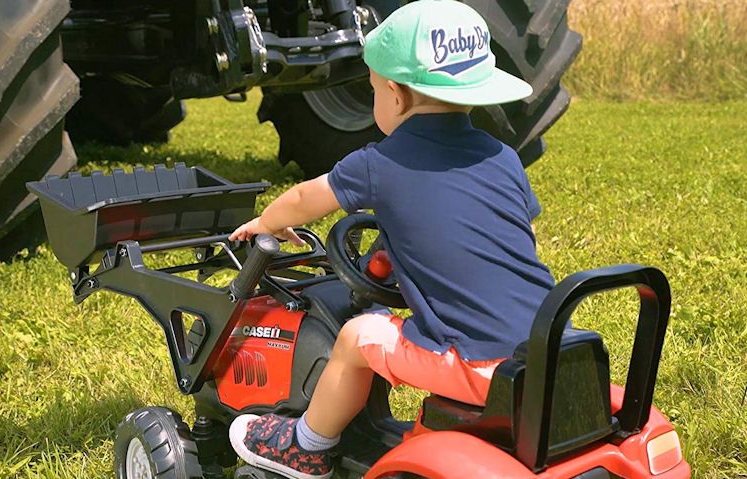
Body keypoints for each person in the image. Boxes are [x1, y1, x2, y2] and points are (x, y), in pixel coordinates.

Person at [227, 1, 555, 477]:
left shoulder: (381, 165)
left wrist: (267, 224)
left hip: (477, 364)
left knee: (358, 335)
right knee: (382, 319)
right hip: (544, 346)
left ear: (396, 96)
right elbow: (500, 238)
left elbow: (302, 199)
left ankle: (305, 445)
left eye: (373, 88)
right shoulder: (504, 158)